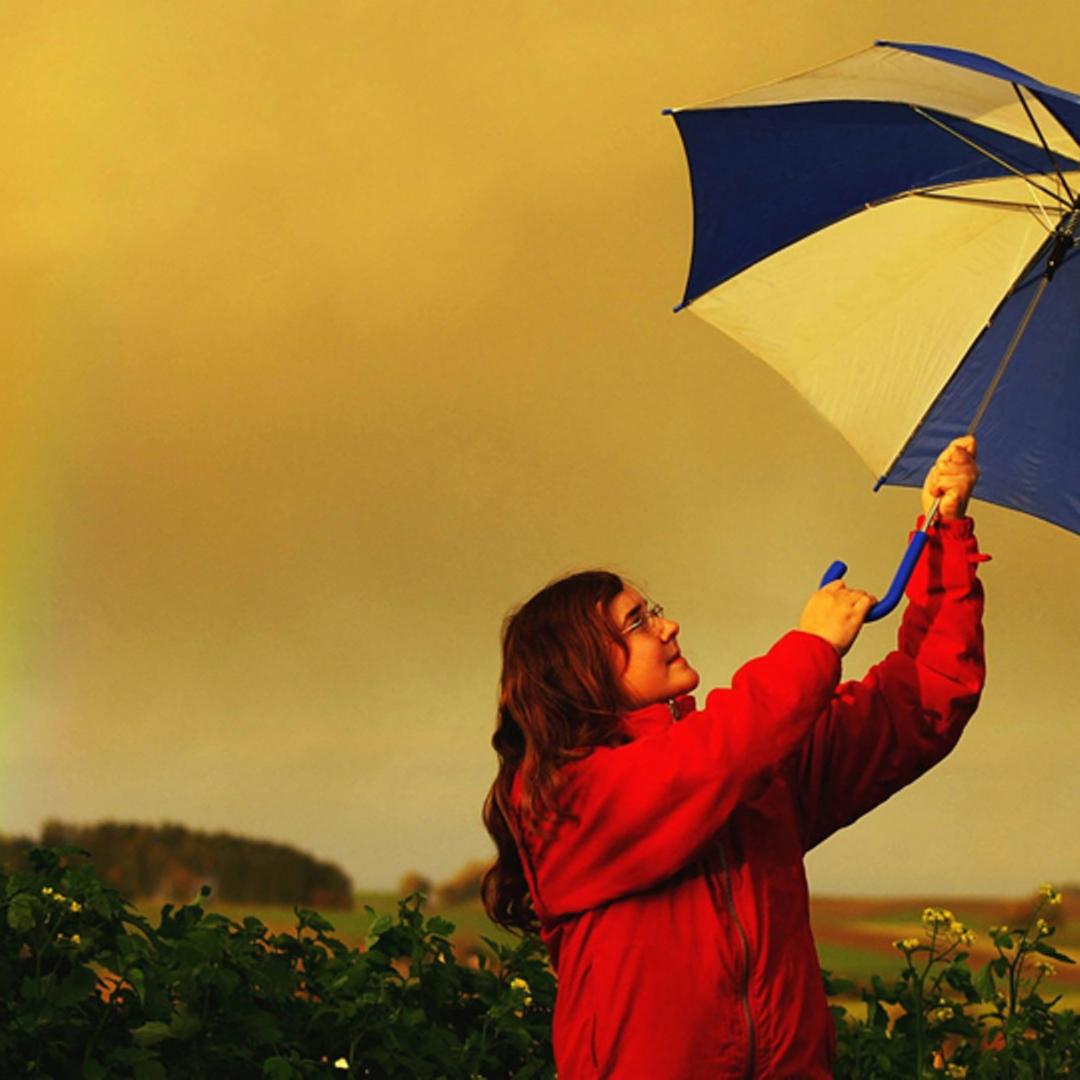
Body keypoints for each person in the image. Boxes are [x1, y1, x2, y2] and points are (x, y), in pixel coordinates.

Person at [482, 437, 985, 1079]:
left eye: (655, 611)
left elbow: (924, 698)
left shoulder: (751, 763)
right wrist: (811, 646)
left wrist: (942, 535)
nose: (668, 627)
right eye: (637, 622)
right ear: (579, 669)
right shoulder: (563, 795)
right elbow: (702, 765)